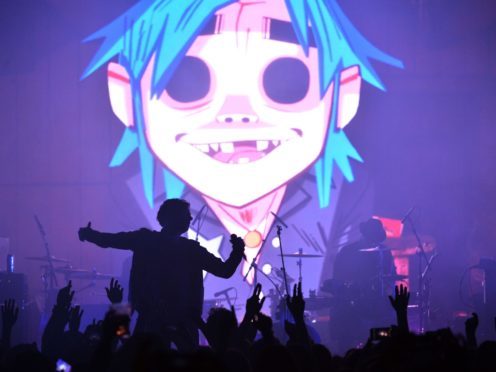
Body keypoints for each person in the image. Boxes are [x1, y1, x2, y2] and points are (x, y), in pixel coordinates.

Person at [81, 0, 403, 294]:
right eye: (185, 80)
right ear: (126, 94)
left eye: (286, 79)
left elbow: (116, 242)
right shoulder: (130, 201)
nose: (238, 112)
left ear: (344, 94)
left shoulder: (347, 194)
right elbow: (118, 243)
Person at [78, 198, 245, 349]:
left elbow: (111, 240)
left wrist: (89, 235)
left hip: (156, 319)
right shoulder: (185, 248)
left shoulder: (148, 240)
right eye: (186, 214)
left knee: (144, 361)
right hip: (176, 322)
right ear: (173, 217)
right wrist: (238, 251)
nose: (190, 218)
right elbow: (225, 271)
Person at [328, 218, 397, 353]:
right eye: (371, 238)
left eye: (376, 239)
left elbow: (391, 276)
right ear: (364, 235)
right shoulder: (347, 252)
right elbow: (338, 278)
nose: (373, 242)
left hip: (376, 303)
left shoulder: (384, 252)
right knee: (347, 341)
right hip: (351, 304)